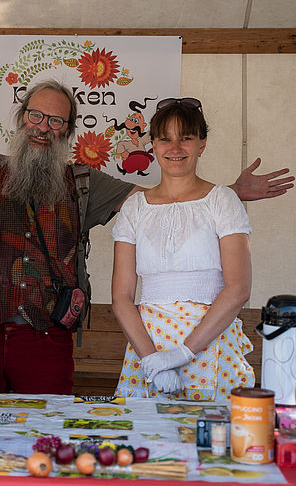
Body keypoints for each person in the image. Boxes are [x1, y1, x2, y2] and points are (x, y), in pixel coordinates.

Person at [0, 36, 294, 395]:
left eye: (57, 121)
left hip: (48, 338)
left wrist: (229, 194)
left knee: (45, 443)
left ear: (68, 130)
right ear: (22, 118)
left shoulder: (87, 183)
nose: (44, 127)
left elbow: (166, 201)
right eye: (37, 116)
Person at [111, 98, 254, 401]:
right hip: (149, 346)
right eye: (165, 139)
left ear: (202, 144)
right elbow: (121, 296)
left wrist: (182, 353)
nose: (175, 148)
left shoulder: (222, 200)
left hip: (211, 341)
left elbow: (239, 288)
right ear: (153, 145)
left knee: (212, 430)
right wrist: (153, 360)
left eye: (185, 138)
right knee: (146, 430)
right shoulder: (134, 208)